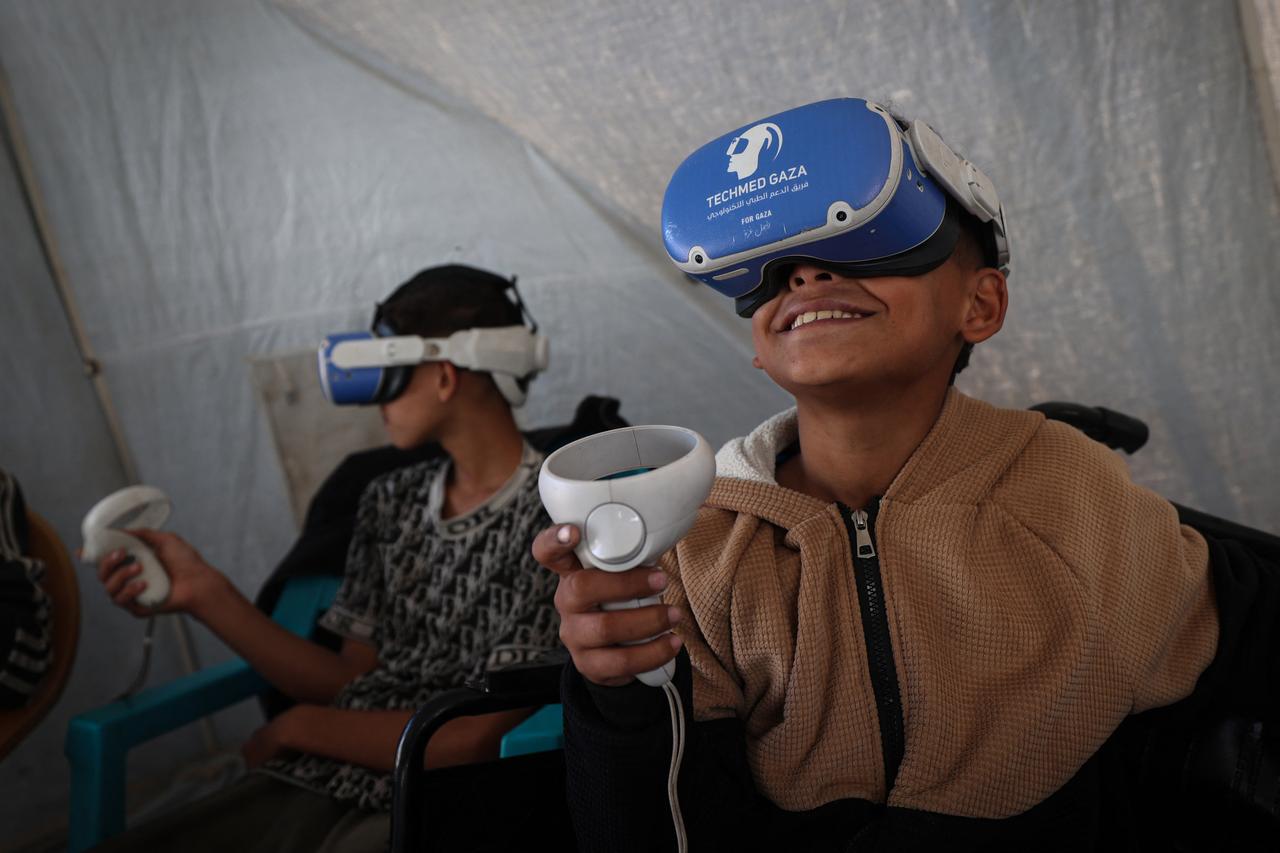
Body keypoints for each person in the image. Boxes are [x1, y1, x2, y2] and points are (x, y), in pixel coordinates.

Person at [532, 98, 1279, 850]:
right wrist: (617, 688)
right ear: (760, 346)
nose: (808, 272)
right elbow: (649, 820)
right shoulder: (699, 544)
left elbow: (1242, 627)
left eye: (877, 242)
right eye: (773, 272)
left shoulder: (1071, 487)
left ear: (981, 304)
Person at [93, 264, 561, 852]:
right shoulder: (388, 500)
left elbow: (467, 740)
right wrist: (203, 592)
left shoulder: (555, 512)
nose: (375, 401)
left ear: (445, 377)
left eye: (389, 376)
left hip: (442, 797)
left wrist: (299, 726)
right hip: (326, 775)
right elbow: (351, 682)